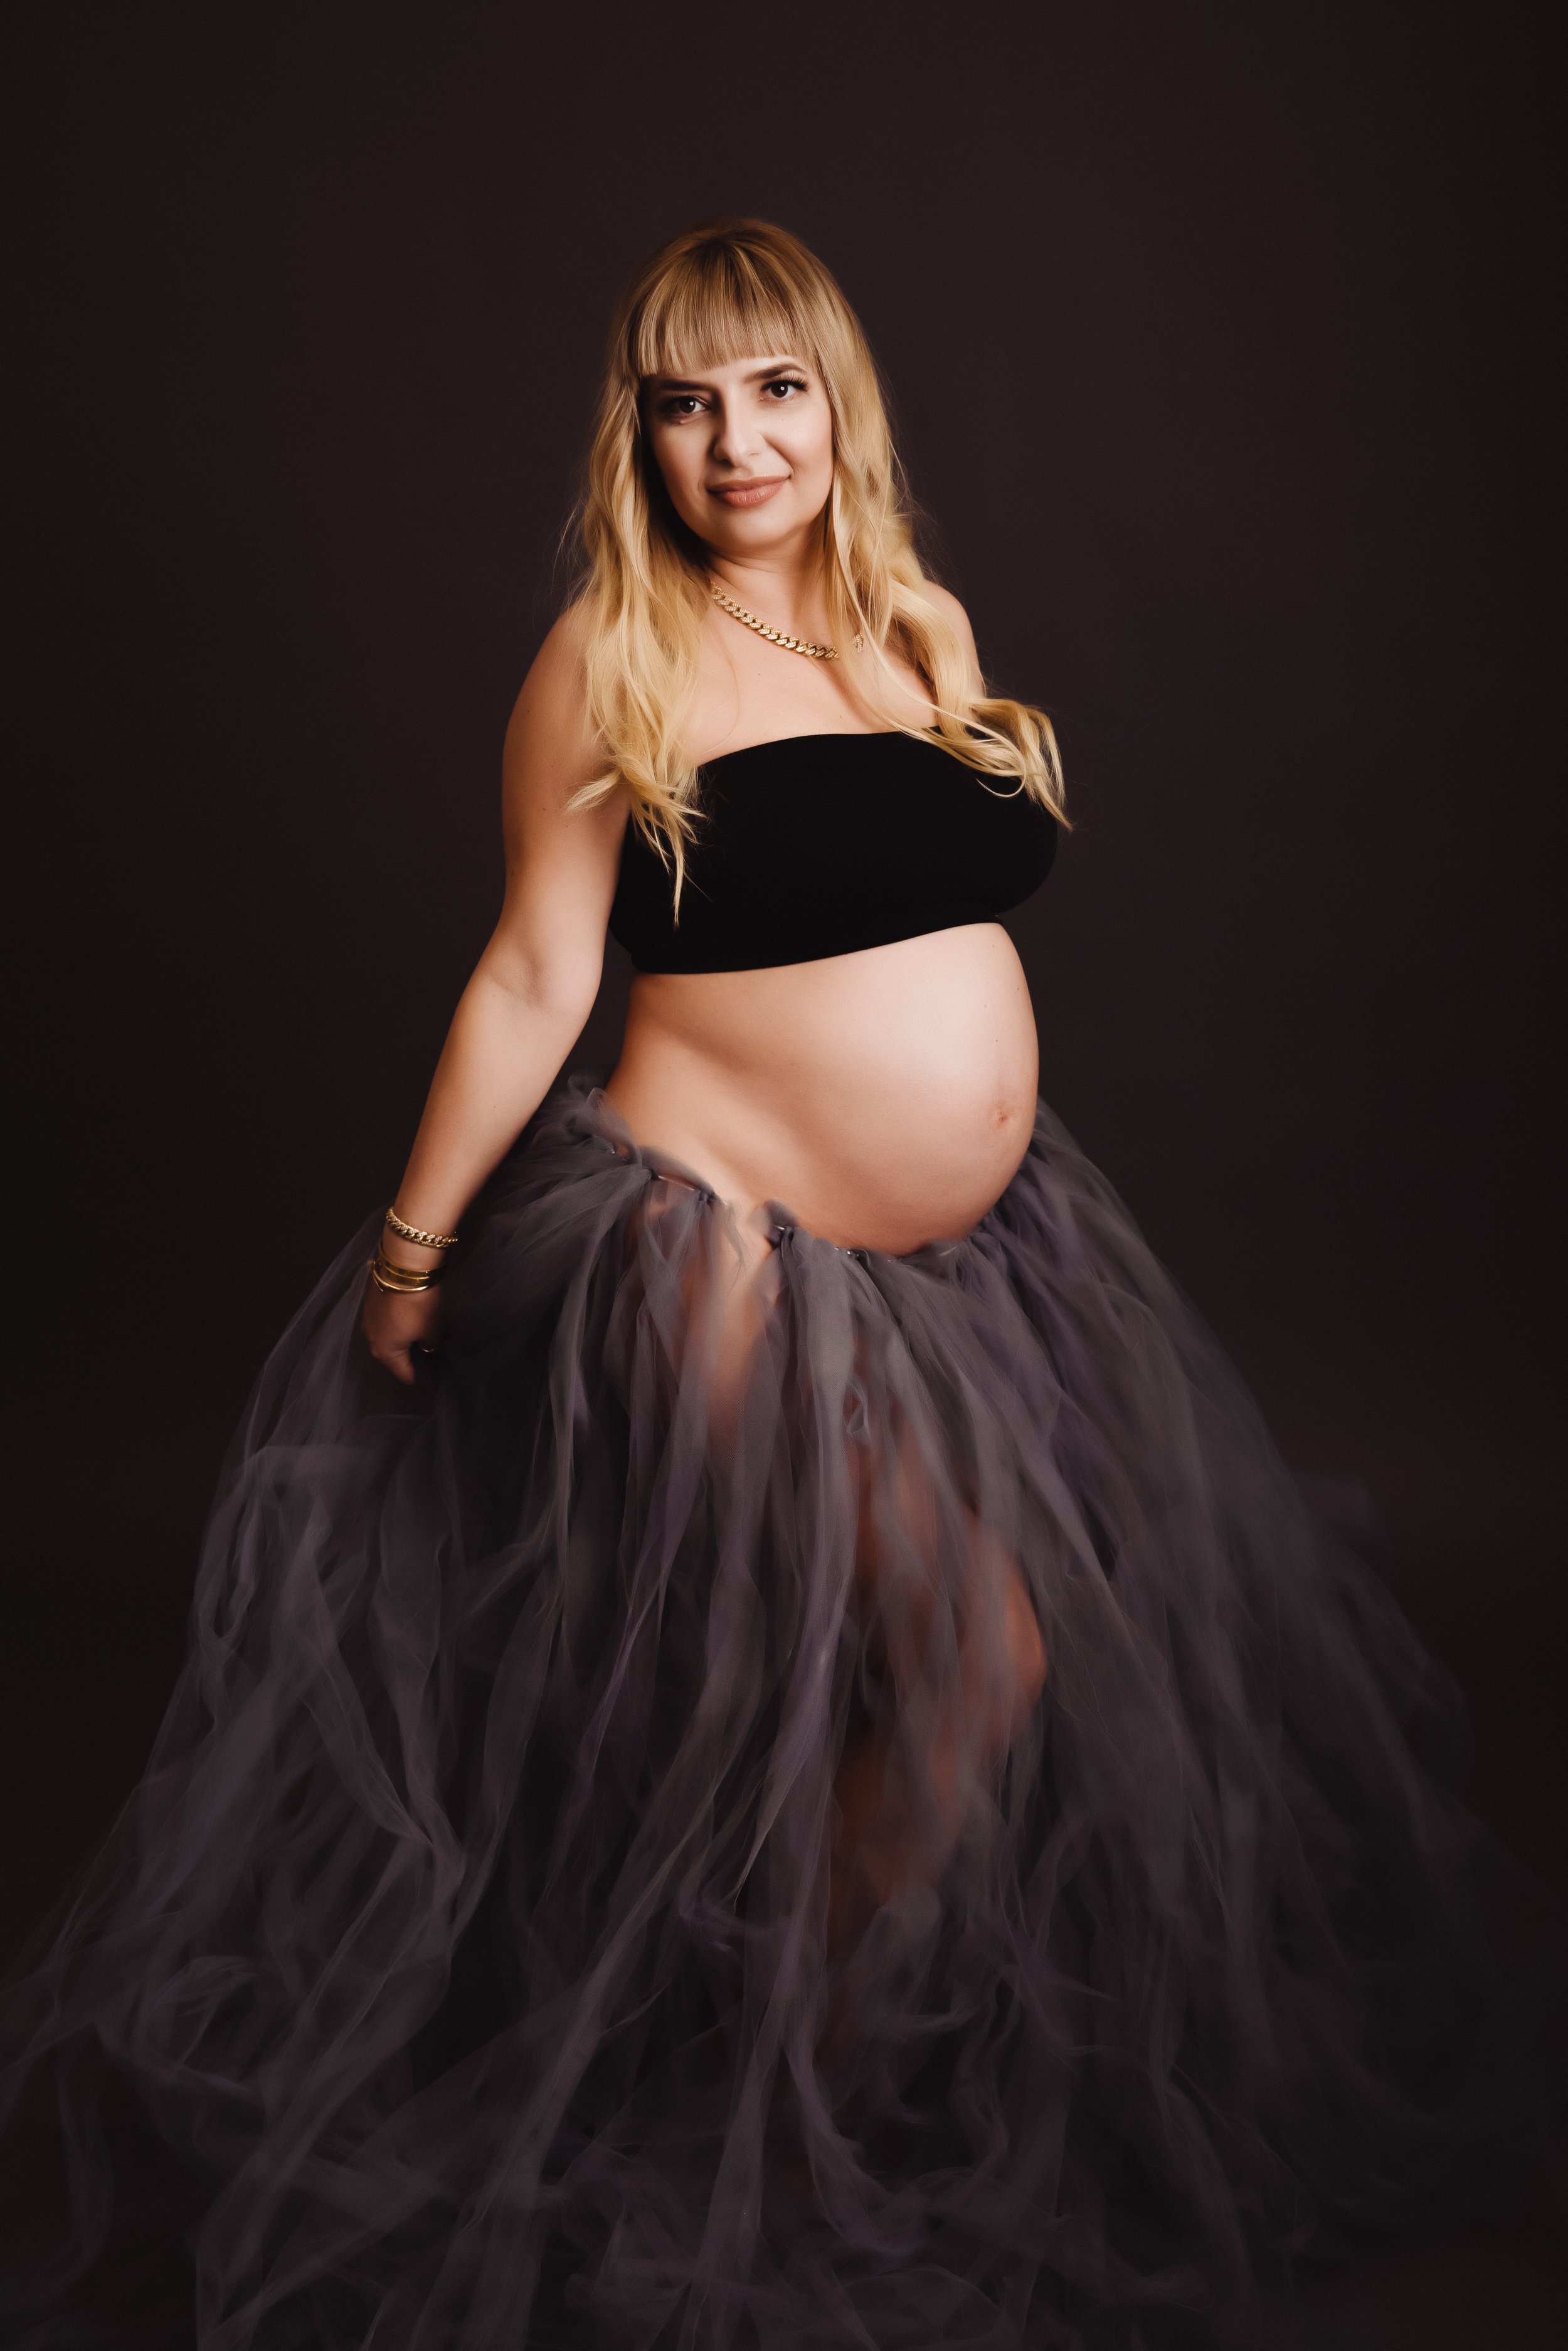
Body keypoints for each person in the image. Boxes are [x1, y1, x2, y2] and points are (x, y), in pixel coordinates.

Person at [1, 218, 1559, 2351]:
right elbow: (540, 969)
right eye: (685, 400)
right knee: (970, 1651)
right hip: (705, 1229)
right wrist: (414, 1235)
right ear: (636, 434)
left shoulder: (909, 624)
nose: (735, 440)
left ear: (837, 406)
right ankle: (776, 2113)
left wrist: (943, 683)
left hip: (976, 1268)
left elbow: (955, 870)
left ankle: (802, 2055)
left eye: (775, 390)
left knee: (901, 1689)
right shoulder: (607, 660)